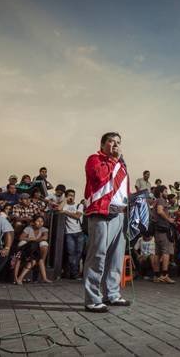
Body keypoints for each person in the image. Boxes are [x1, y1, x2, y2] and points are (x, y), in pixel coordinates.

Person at [83, 132, 132, 312]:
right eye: (111, 141)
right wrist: (113, 160)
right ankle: (92, 298)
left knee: (115, 258)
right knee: (97, 256)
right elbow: (100, 177)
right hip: (101, 212)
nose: (115, 145)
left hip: (119, 214)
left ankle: (112, 294)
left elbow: (122, 191)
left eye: (118, 142)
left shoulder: (121, 165)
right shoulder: (94, 159)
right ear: (103, 144)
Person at [150, 185, 176, 284]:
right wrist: (169, 219)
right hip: (163, 229)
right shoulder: (161, 200)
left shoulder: (156, 201)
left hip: (157, 230)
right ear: (161, 192)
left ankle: (156, 276)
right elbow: (160, 211)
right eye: (165, 191)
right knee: (166, 252)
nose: (167, 193)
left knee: (158, 253)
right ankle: (165, 275)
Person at [15, 215, 51, 284]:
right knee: (34, 261)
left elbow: (45, 237)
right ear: (33, 222)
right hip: (30, 247)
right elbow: (21, 238)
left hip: (35, 247)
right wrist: (30, 239)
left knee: (39, 259)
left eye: (42, 221)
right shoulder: (28, 228)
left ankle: (44, 278)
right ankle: (19, 278)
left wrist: (35, 240)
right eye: (38, 221)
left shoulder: (44, 229)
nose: (40, 223)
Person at [61, 189, 84, 279]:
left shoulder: (79, 205)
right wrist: (64, 200)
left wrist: (66, 212)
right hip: (69, 233)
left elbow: (77, 216)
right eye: (69, 195)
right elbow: (59, 209)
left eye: (73, 195)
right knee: (71, 253)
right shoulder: (65, 205)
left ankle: (75, 271)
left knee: (79, 253)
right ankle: (74, 274)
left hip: (79, 232)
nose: (72, 197)